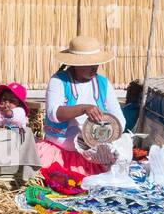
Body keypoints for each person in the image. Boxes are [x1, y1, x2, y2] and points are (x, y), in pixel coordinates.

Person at [39, 36, 127, 179]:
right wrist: (83, 108)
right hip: (61, 151)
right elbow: (53, 113)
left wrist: (106, 136)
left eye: (96, 63)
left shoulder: (103, 84)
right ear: (76, 64)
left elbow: (119, 119)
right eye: (89, 63)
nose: (94, 67)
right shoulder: (59, 81)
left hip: (95, 153)